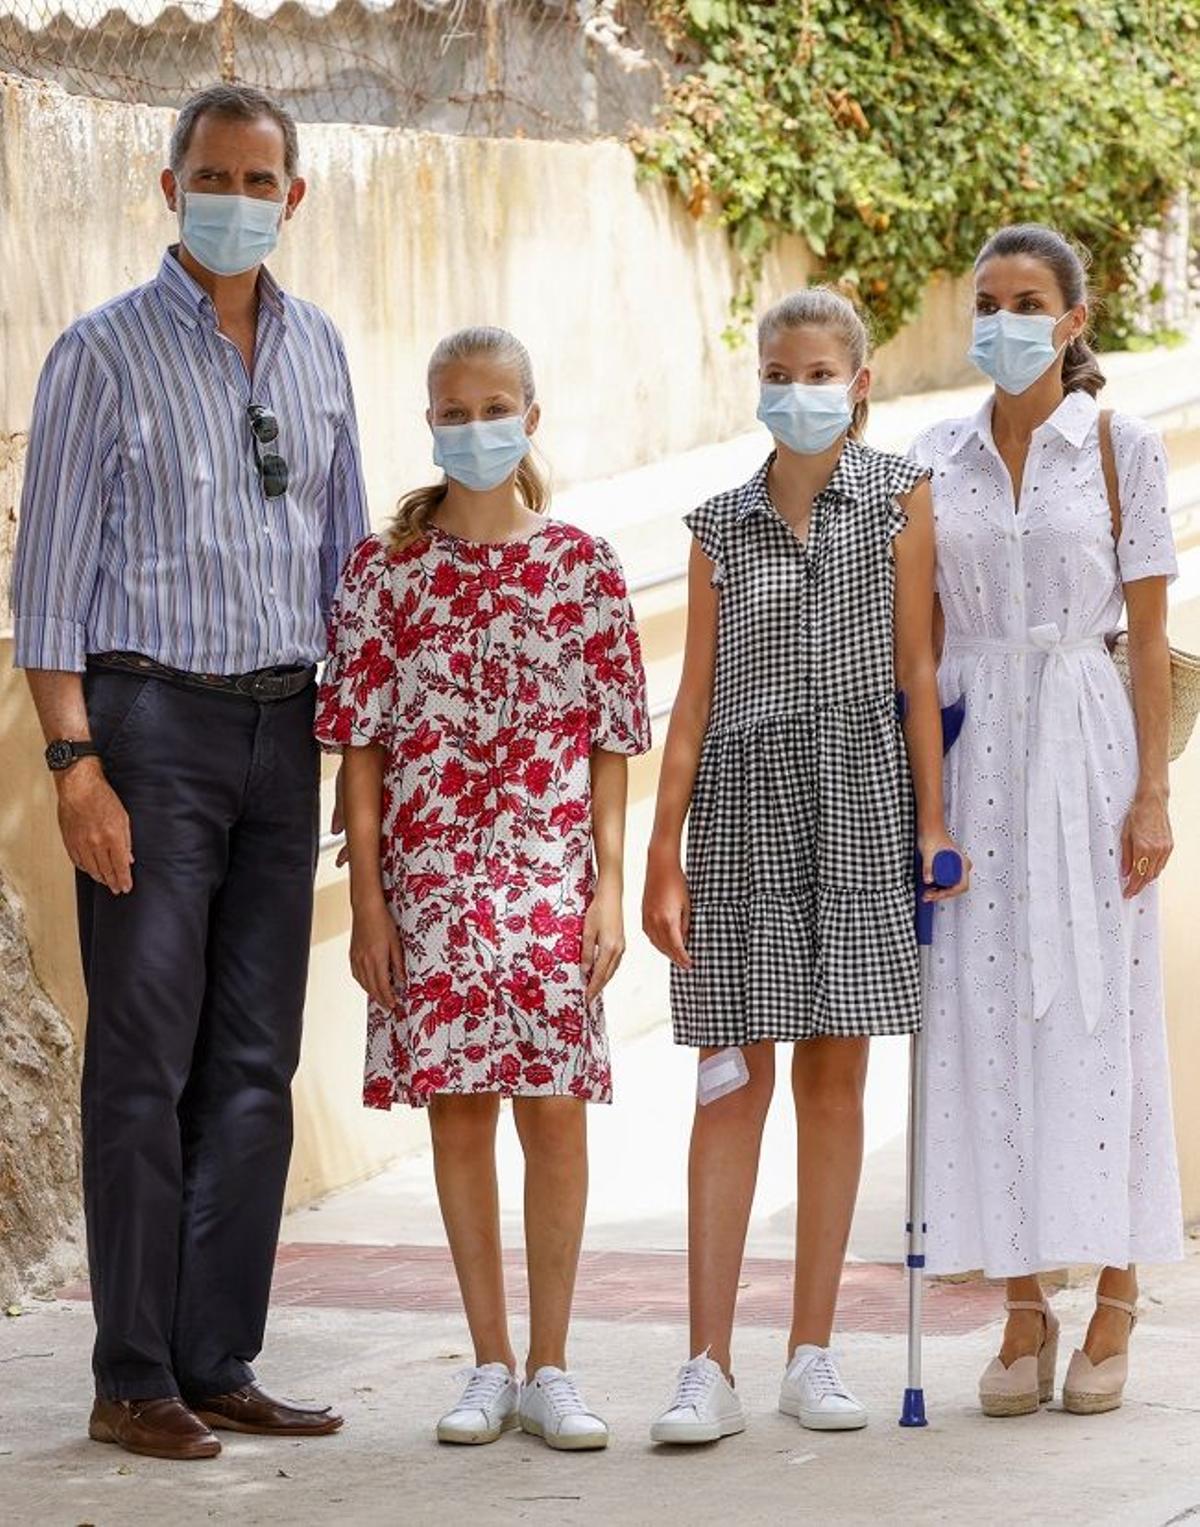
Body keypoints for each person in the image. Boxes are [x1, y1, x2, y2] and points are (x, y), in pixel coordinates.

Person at [9, 83, 367, 1460]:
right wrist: (73, 763)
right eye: (209, 172)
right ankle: (131, 1370)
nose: (234, 194)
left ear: (293, 196)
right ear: (168, 189)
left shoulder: (321, 350)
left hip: (290, 728)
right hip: (149, 733)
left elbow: (347, 563)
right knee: (144, 1061)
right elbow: (46, 586)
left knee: (255, 1063)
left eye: (258, 175)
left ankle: (219, 1357)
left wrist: (354, 756)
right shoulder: (98, 355)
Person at [642, 287, 968, 1444]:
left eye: (820, 371)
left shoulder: (899, 499)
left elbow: (918, 674)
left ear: (861, 382)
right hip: (739, 811)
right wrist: (660, 855)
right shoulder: (716, 525)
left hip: (862, 803)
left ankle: (812, 1354)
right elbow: (686, 709)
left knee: (835, 1083)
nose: (799, 389)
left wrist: (934, 820)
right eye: (779, 371)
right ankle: (706, 1367)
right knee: (731, 1083)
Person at [317, 326, 650, 1451]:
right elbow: (358, 748)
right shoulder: (384, 571)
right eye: (452, 411)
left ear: (532, 415)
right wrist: (368, 903)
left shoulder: (585, 567)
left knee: (553, 1115)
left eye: (493, 406)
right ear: (428, 423)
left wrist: (608, 888)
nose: (474, 428)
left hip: (550, 880)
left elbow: (612, 743)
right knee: (456, 1118)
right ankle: (489, 1364)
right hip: (431, 884)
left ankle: (554, 1366)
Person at [909, 223, 1184, 1417]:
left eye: (1030, 301)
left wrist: (1155, 795)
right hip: (976, 761)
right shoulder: (932, 454)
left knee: (1099, 1018)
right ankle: (1023, 1299)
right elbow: (913, 648)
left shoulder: (1123, 449)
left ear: (1074, 322)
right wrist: (923, 808)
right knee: (980, 1024)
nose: (1005, 320)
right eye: (988, 299)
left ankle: (1116, 1286)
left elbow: (1151, 632)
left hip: (1083, 749)